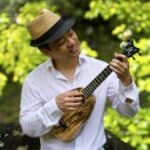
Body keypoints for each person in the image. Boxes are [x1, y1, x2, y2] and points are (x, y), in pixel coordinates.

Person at [19, 8, 140, 150]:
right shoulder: (34, 81)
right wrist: (55, 106)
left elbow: (129, 112)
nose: (71, 42)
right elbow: (29, 128)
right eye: (60, 42)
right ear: (46, 51)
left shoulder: (100, 69)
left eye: (71, 34)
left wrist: (126, 81)